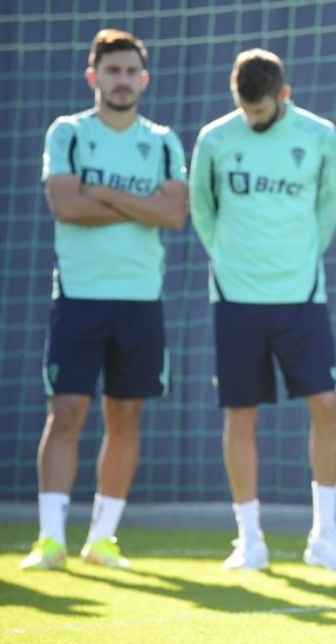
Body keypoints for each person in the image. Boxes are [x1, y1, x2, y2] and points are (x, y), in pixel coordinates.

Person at [22, 28, 187, 571]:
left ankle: (103, 537)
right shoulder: (67, 132)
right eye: (111, 71)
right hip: (79, 296)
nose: (121, 81)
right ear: (94, 77)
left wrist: (109, 195)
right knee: (67, 411)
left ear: (144, 79)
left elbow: (173, 214)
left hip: (141, 299)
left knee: (127, 414)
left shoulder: (162, 141)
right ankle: (50, 539)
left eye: (130, 72)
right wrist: (141, 203)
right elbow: (67, 206)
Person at [189, 48, 336, 572]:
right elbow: (203, 210)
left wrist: (298, 258)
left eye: (261, 111)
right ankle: (249, 539)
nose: (253, 120)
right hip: (236, 298)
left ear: (283, 95)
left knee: (325, 405)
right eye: (245, 111)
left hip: (301, 296)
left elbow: (328, 207)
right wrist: (233, 261)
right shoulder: (214, 139)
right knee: (240, 414)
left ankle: (325, 535)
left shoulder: (319, 134)